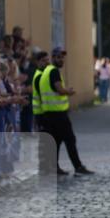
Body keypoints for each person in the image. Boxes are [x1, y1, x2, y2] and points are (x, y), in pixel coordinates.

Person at [38, 47, 94, 176]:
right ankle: (78, 166)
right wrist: (68, 91)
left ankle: (54, 167)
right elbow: (59, 89)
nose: (61, 59)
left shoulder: (47, 71)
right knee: (70, 139)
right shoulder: (53, 71)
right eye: (58, 57)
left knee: (56, 141)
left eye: (62, 57)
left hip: (50, 113)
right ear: (53, 58)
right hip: (57, 114)